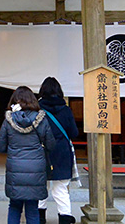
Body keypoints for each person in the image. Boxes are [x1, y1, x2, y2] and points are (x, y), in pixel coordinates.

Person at [0, 86, 56, 224]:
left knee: (14, 206)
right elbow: (51, 145)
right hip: (36, 168)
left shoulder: (8, 120)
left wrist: (13, 149)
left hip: (15, 168)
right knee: (33, 208)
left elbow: (0, 146)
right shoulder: (42, 119)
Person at [37, 77, 79, 224]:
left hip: (42, 151)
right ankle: (65, 217)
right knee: (61, 188)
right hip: (62, 152)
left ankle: (40, 218)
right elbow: (74, 133)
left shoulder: (38, 110)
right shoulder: (66, 110)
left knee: (41, 185)